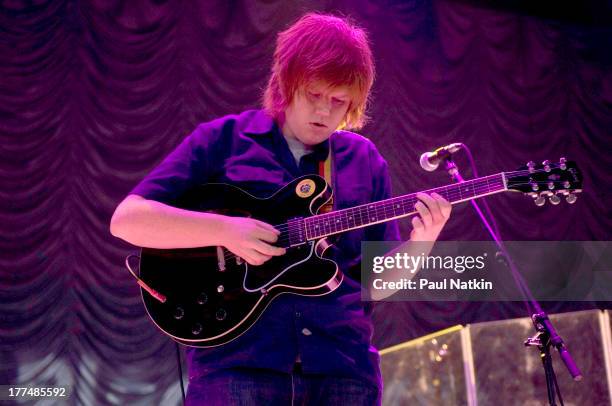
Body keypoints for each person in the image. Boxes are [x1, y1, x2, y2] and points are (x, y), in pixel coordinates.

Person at [110, 12, 451, 405]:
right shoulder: (225, 140)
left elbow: (375, 285)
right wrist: (225, 231)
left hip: (342, 370)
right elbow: (128, 220)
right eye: (313, 94)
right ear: (286, 84)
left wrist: (421, 244)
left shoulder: (364, 160)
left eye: (338, 100)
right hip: (235, 367)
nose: (324, 111)